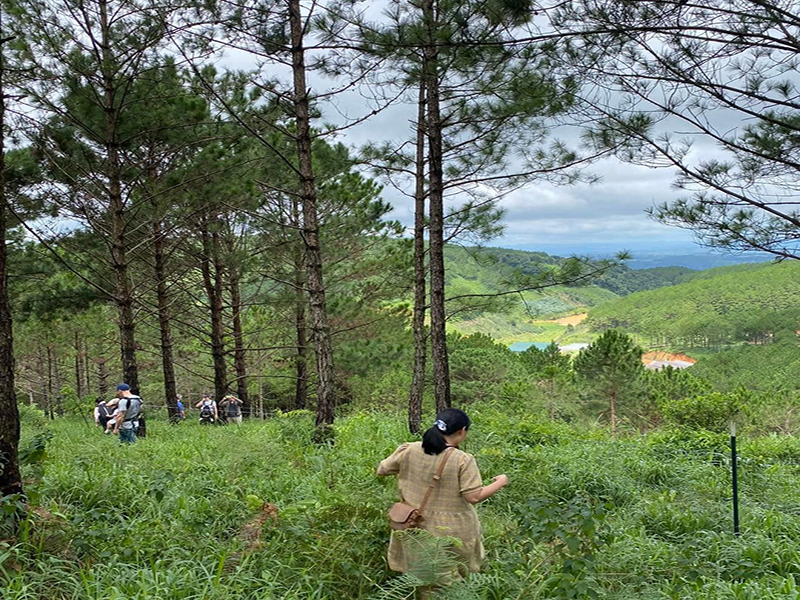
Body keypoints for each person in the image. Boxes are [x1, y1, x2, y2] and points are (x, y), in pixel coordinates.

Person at [377, 408, 509, 579]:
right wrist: (501, 482)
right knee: (450, 582)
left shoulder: (410, 449)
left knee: (424, 578)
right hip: (452, 530)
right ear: (462, 431)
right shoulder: (462, 459)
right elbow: (473, 496)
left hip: (413, 523)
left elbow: (382, 469)